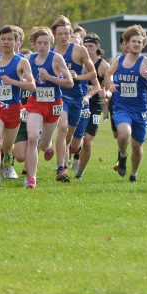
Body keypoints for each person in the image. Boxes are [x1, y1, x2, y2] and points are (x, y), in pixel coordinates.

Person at [104, 25, 147, 183]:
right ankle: (122, 155)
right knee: (124, 133)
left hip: (141, 110)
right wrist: (110, 86)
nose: (136, 44)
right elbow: (108, 74)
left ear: (143, 44)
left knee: (137, 145)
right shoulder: (119, 60)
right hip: (122, 107)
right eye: (133, 41)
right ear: (126, 43)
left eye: (139, 42)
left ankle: (133, 174)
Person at [0, 25, 35, 190]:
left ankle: (7, 158)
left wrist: (14, 82)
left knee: (7, 146)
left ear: (16, 41)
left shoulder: (21, 62)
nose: (6, 42)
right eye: (3, 39)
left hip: (13, 108)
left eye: (9, 39)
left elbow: (32, 86)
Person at [23, 27, 75, 189]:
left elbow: (70, 82)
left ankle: (49, 145)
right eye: (39, 43)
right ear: (34, 43)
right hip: (35, 103)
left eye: (46, 43)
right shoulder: (28, 59)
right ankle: (32, 178)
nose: (42, 46)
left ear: (50, 43)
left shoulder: (56, 58)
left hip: (53, 104)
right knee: (32, 138)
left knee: (43, 145)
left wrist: (50, 77)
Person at [51, 16, 96, 182]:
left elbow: (93, 74)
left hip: (76, 98)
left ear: (70, 34)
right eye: (60, 34)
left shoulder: (79, 51)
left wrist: (78, 76)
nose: (63, 36)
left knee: (70, 139)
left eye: (66, 33)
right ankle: (61, 168)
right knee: (62, 127)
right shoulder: (51, 53)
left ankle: (62, 154)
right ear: (55, 35)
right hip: (59, 96)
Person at [74, 35, 109, 180]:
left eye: (91, 46)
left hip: (94, 106)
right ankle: (67, 161)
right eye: (85, 46)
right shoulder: (78, 61)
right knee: (75, 139)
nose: (88, 49)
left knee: (87, 140)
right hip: (78, 103)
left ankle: (79, 172)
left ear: (97, 47)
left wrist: (105, 93)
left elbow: (108, 88)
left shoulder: (103, 65)